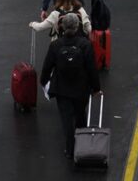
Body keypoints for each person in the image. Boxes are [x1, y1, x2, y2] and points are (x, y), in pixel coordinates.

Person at [40, 12, 101, 160]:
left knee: (66, 119)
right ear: (77, 27)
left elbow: (47, 67)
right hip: (81, 89)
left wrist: (44, 82)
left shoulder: (55, 45)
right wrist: (96, 88)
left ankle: (69, 149)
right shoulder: (85, 45)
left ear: (62, 26)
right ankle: (82, 147)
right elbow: (91, 68)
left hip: (62, 89)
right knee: (80, 117)